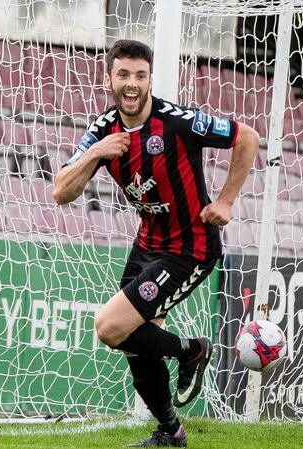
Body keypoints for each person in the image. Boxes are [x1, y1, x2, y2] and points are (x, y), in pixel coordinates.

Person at [53, 39, 259, 447]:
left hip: (191, 247)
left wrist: (226, 200)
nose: (132, 84)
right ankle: (170, 432)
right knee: (136, 343)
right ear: (109, 78)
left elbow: (247, 137)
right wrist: (95, 152)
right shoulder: (102, 130)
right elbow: (61, 192)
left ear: (150, 79)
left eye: (140, 75)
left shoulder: (178, 121)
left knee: (110, 328)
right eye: (123, 75)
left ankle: (191, 351)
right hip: (148, 242)